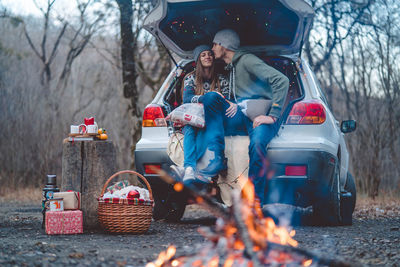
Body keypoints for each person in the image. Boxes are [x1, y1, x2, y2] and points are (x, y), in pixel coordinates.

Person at [212, 29, 289, 205]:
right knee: (215, 124)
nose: (213, 48)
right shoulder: (230, 67)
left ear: (224, 45)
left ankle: (255, 197)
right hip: (244, 113)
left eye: (215, 44)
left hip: (263, 114)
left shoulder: (247, 60)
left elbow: (282, 81)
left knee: (257, 144)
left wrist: (273, 115)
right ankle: (214, 168)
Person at [179, 45, 246, 188]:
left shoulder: (221, 79)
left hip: (218, 119)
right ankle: (189, 169)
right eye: (203, 55)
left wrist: (233, 104)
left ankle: (206, 167)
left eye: (209, 54)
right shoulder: (190, 78)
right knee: (190, 128)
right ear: (198, 60)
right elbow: (186, 98)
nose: (207, 57)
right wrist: (209, 98)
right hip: (197, 117)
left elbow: (228, 99)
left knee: (210, 106)